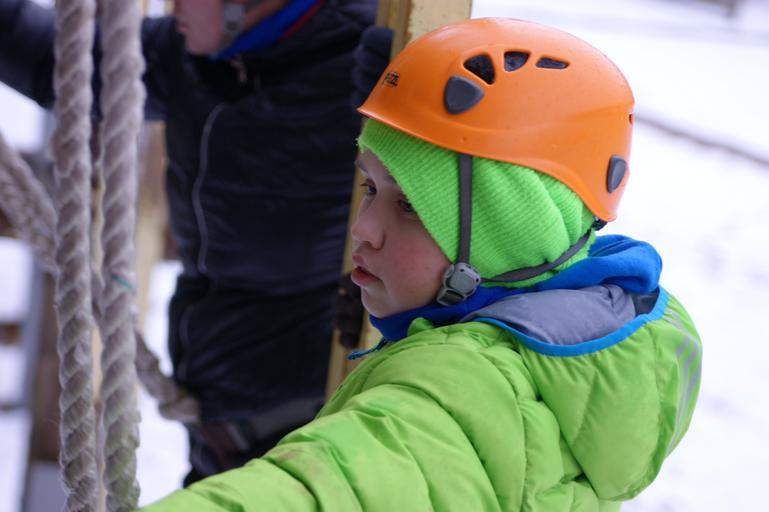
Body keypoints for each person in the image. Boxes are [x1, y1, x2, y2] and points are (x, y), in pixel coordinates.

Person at [137, 17, 703, 511]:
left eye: (409, 205)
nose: (363, 227)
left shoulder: (463, 394)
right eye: (369, 187)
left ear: (505, 236)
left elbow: (329, 491)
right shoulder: (569, 349)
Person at [0, 0, 376, 483]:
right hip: (222, 437)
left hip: (312, 444)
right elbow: (56, 61)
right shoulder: (197, 54)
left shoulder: (364, 67)